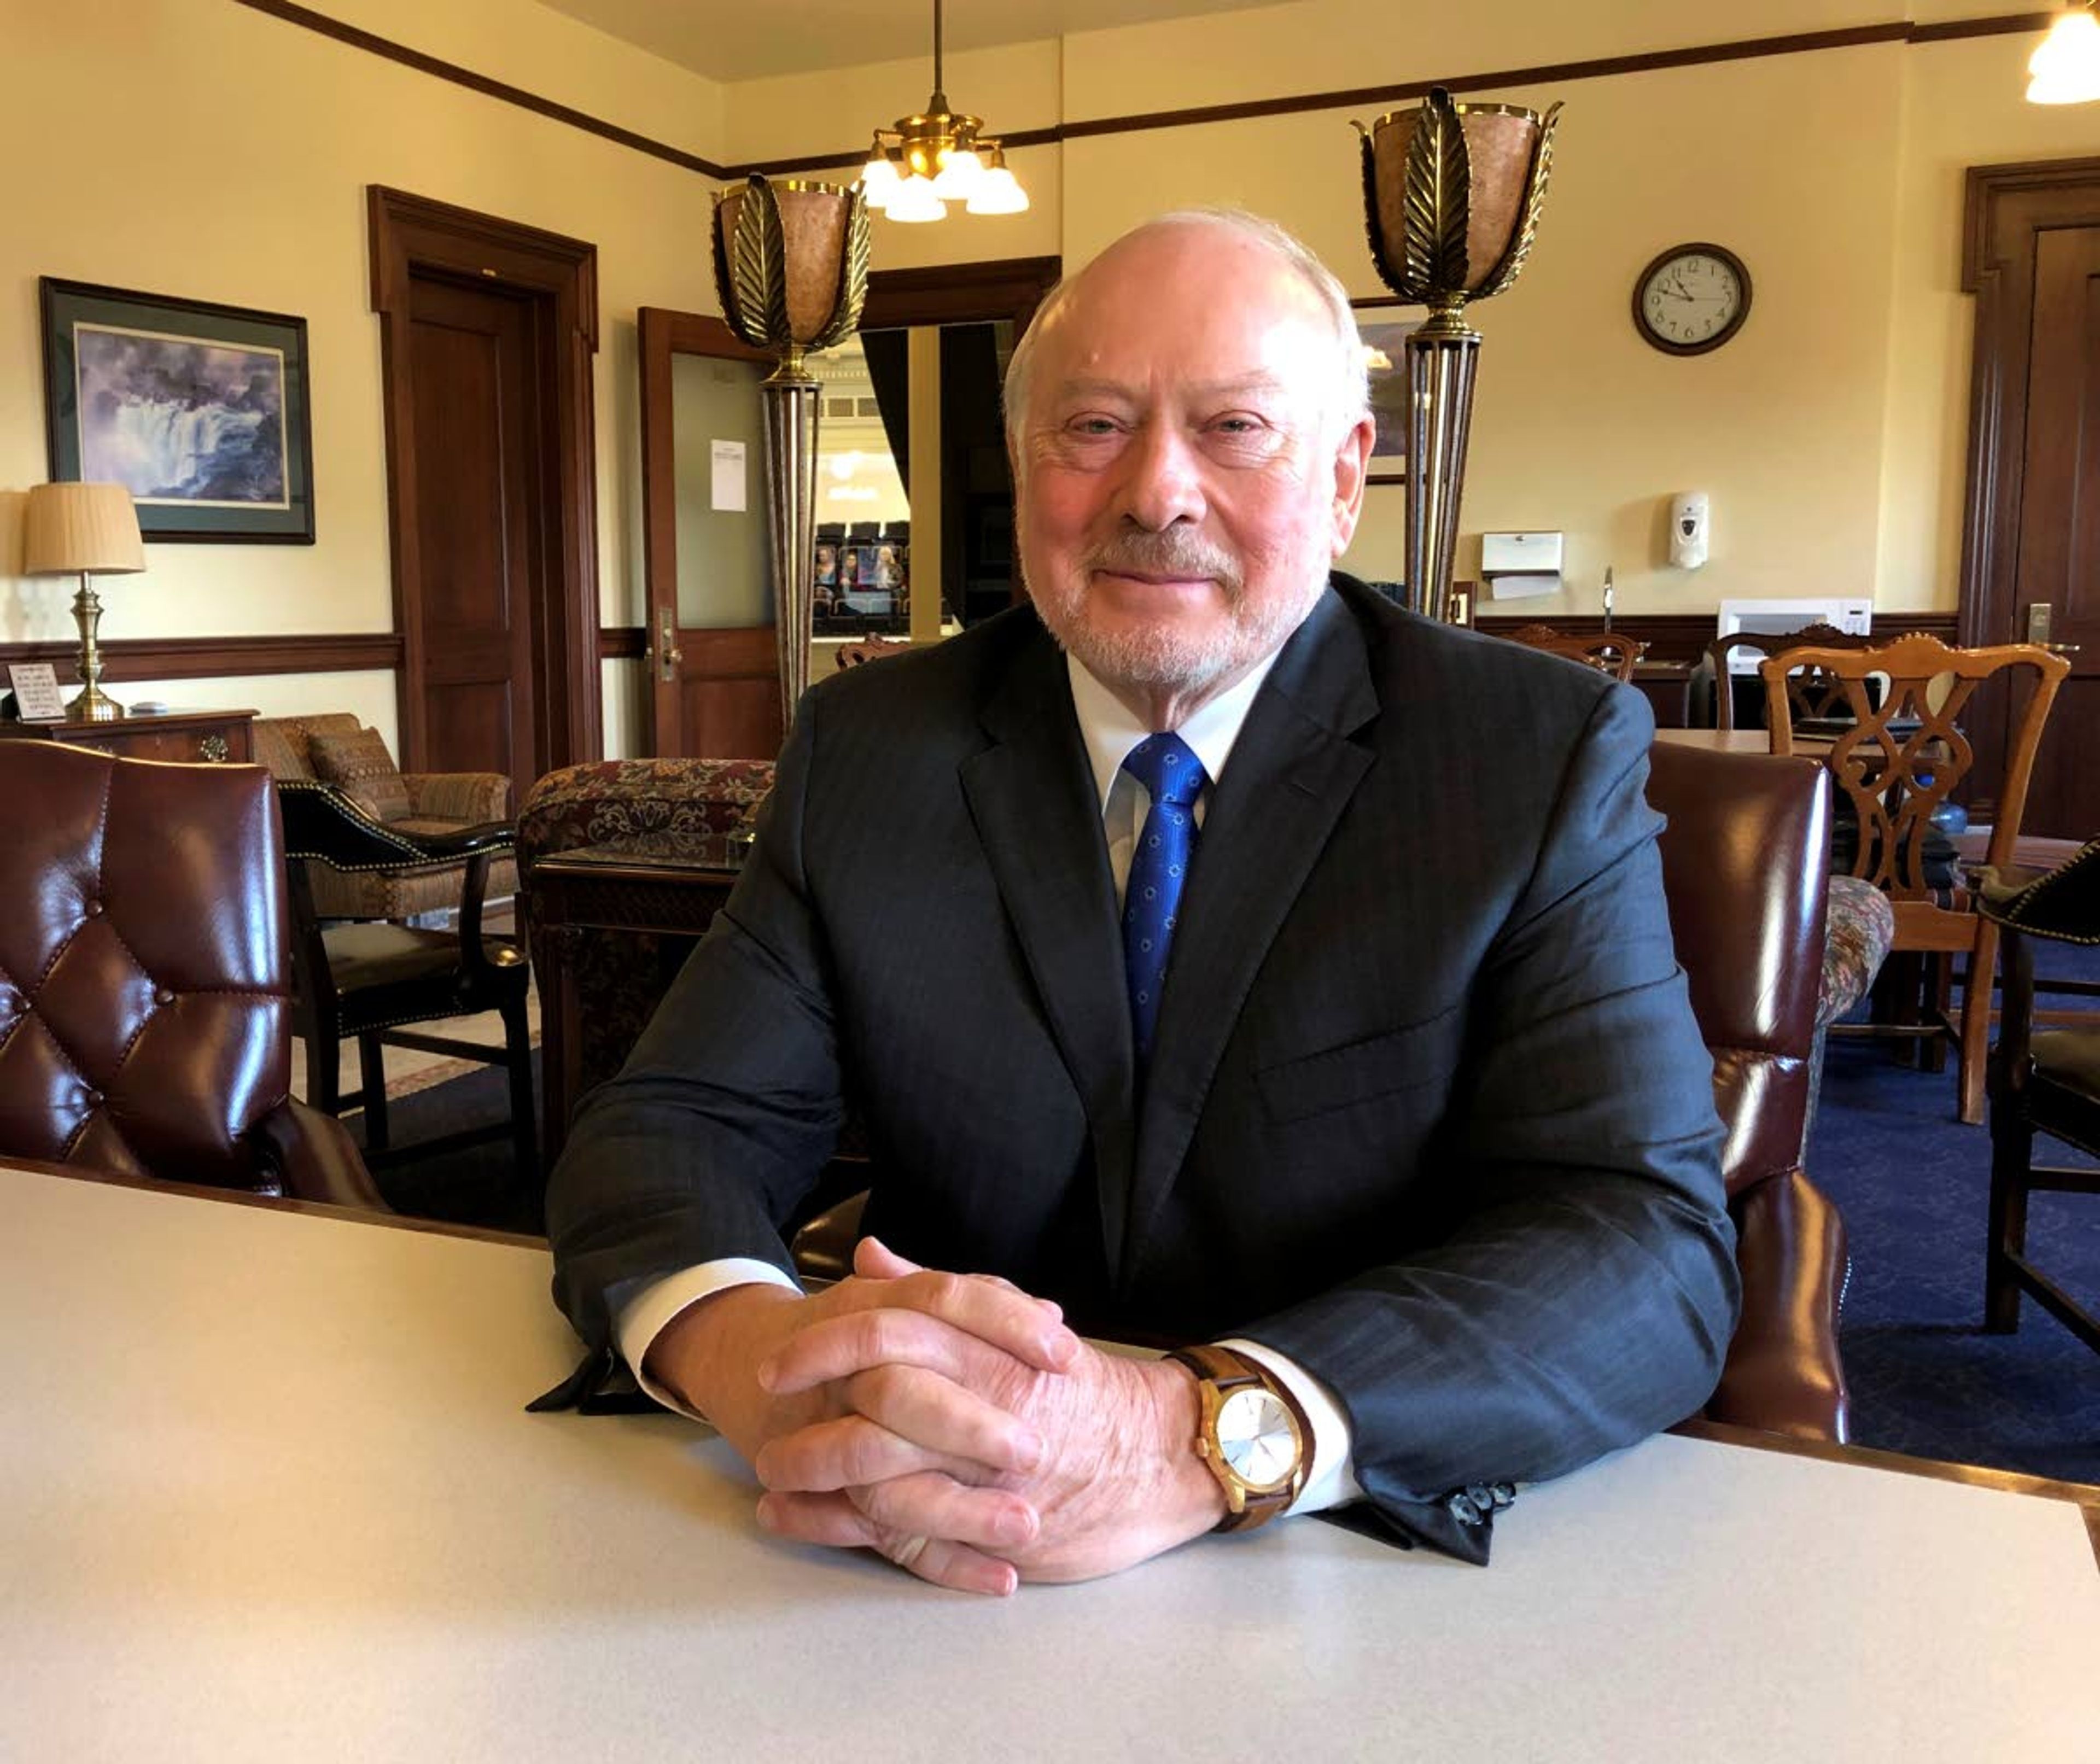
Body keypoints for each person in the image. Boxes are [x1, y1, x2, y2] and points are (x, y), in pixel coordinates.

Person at [544, 209, 1737, 1597]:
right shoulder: (871, 747)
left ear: (1347, 478)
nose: (1156, 492)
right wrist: (761, 1362)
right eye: (1093, 426)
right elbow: (676, 1122)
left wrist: (1201, 1430)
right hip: (916, 1568)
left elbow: (1643, 1241)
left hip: (1353, 1565)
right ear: (1022, 461)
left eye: (1235, 427)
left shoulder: (1531, 754)